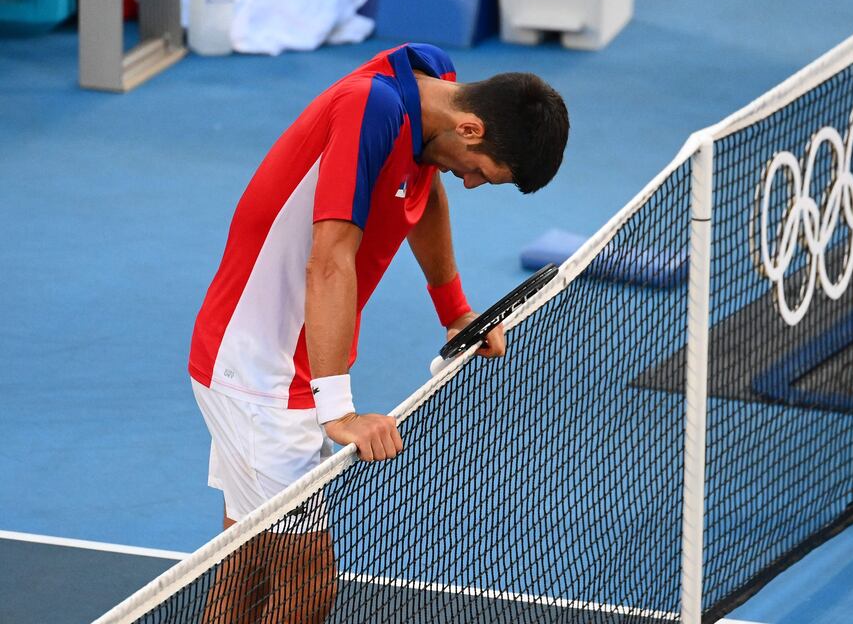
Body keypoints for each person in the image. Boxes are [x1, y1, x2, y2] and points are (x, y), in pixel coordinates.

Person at [187, 42, 569, 621]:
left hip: (280, 366)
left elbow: (427, 192)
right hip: (259, 375)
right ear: (470, 128)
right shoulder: (371, 107)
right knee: (307, 587)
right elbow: (330, 261)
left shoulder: (432, 90)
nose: (469, 184)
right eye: (481, 172)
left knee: (248, 563)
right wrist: (337, 410)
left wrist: (456, 310)